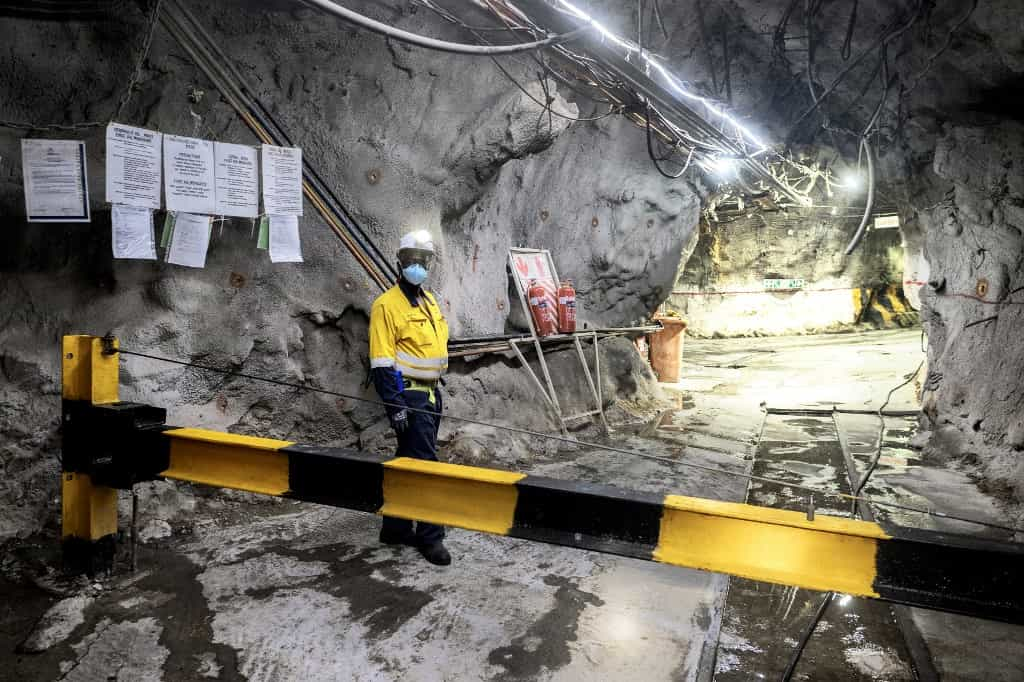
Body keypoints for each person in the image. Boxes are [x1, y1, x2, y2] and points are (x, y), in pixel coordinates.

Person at [368, 229, 451, 566]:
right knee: (427, 468)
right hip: (410, 398)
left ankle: (396, 527)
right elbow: (381, 361)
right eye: (412, 260)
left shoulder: (430, 301)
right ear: (400, 261)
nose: (418, 266)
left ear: (430, 263)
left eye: (424, 260)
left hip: (431, 395)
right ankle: (431, 538)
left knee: (406, 463)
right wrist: (395, 404)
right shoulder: (386, 306)